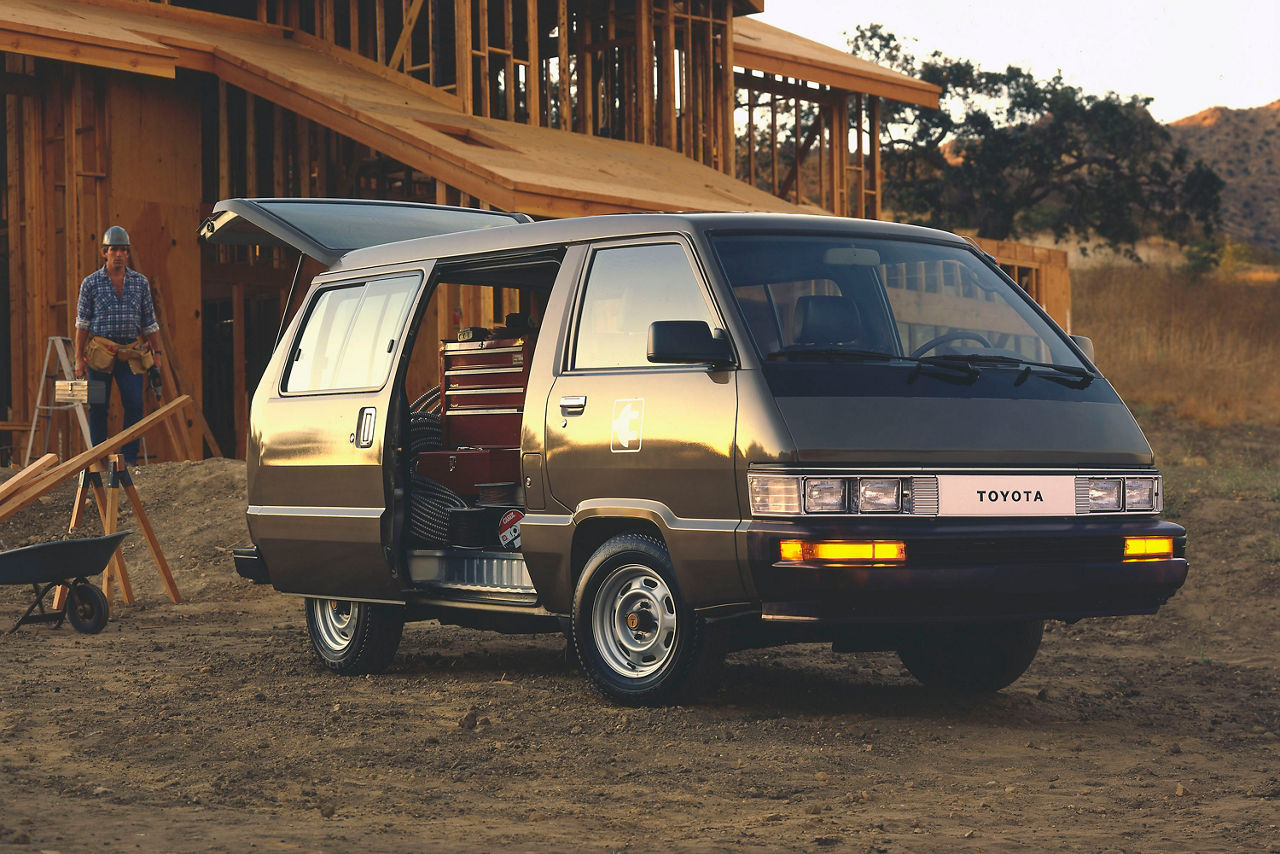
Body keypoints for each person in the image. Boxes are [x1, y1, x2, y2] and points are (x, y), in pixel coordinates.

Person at [73, 225, 164, 466]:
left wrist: (157, 353)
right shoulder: (90, 284)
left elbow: (149, 322)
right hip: (100, 355)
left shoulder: (140, 283)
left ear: (128, 253)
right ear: (104, 252)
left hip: (131, 354)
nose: (119, 255)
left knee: (134, 404)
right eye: (114, 250)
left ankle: (129, 459)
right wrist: (79, 359)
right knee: (98, 406)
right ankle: (99, 459)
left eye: (123, 250)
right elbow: (82, 324)